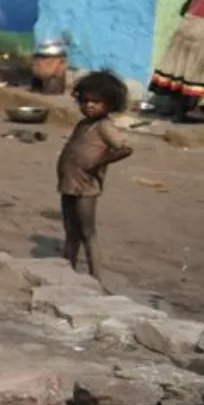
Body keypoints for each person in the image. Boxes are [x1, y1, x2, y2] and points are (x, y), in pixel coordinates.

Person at [57, 70, 134, 278]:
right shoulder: (83, 124)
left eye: (96, 101)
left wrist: (98, 163)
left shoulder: (104, 127)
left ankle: (95, 278)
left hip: (86, 186)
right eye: (85, 101)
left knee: (87, 233)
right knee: (71, 233)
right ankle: (67, 273)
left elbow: (124, 148)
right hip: (69, 183)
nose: (89, 105)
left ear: (109, 103)